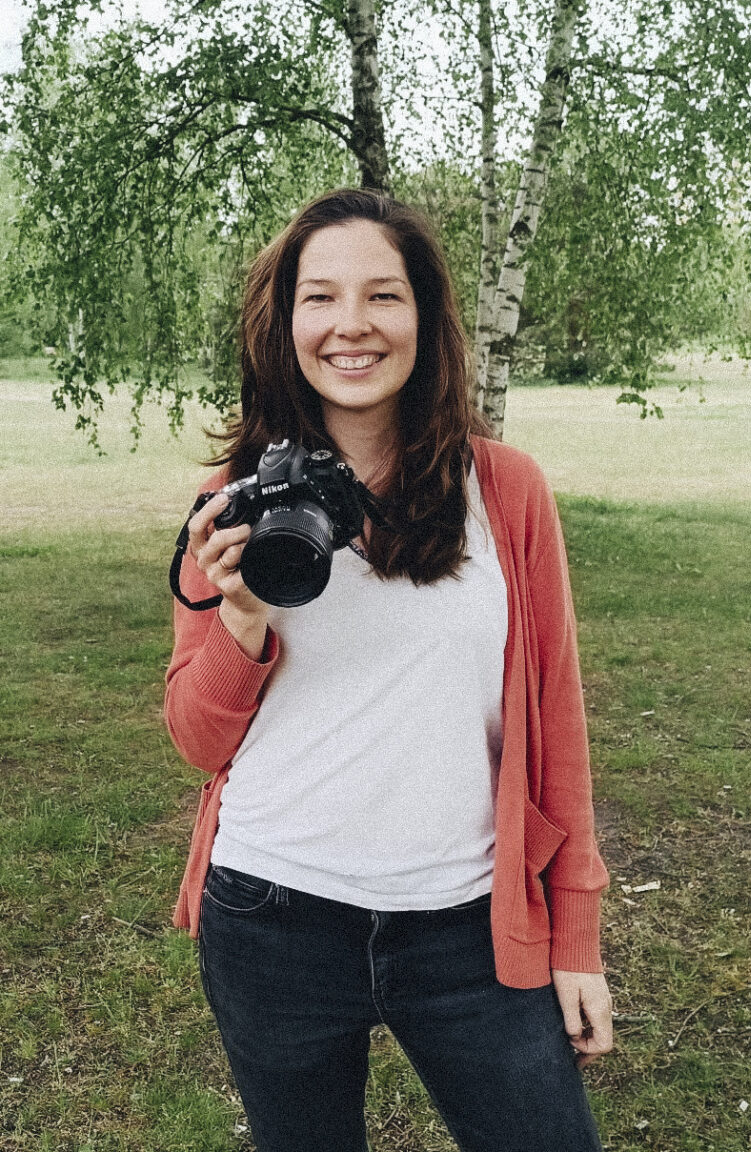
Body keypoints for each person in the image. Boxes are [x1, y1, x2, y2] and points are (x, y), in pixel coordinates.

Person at [165, 188, 613, 1152]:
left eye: (383, 295)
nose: (352, 325)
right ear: (285, 323)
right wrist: (240, 621)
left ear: (425, 317)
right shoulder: (230, 502)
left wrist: (576, 935)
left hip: (469, 923)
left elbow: (558, 725)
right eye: (320, 297)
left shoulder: (507, 491)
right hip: (271, 913)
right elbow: (197, 740)